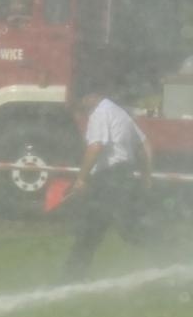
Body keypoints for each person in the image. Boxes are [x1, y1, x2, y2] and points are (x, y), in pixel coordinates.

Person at [62, 87, 155, 281]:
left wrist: (81, 178)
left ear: (90, 96)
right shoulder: (118, 112)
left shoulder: (100, 114)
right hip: (120, 177)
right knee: (93, 230)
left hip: (111, 180)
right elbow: (145, 145)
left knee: (125, 229)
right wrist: (146, 177)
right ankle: (72, 276)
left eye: (82, 101)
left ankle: (170, 252)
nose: (81, 107)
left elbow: (96, 146)